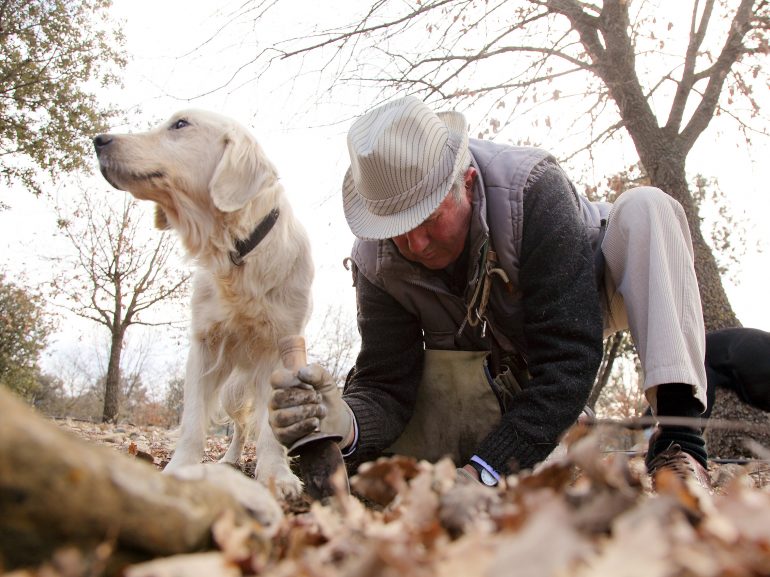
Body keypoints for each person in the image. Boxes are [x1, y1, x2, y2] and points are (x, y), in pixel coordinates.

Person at [268, 96, 711, 489]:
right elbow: (387, 382)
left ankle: (679, 442)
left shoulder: (532, 190)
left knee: (648, 209)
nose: (416, 245)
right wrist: (345, 425)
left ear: (466, 182)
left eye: (428, 219)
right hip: (487, 356)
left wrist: (486, 471)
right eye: (398, 231)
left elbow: (569, 357)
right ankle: (553, 430)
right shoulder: (377, 261)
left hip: (586, 289)